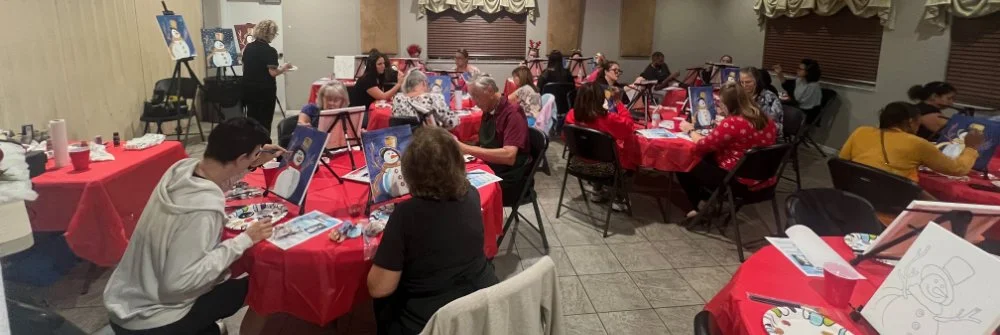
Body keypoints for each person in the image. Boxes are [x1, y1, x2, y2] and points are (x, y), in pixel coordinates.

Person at [103, 118, 283, 334]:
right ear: (240, 157)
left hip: (126, 299)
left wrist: (253, 160)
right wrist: (244, 240)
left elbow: (221, 178)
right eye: (253, 155)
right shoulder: (202, 209)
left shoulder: (181, 170)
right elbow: (178, 284)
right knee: (268, 284)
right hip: (152, 318)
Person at [368, 127, 499, 335]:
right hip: (480, 304)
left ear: (409, 171)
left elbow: (379, 288)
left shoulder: (405, 215)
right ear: (458, 163)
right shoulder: (472, 195)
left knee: (381, 303)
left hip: (433, 322)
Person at [676, 82, 778, 218]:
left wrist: (690, 130)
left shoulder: (733, 123)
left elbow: (702, 145)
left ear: (727, 105)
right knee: (708, 157)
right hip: (765, 179)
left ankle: (700, 204)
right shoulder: (766, 119)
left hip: (739, 182)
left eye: (721, 104)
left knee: (683, 161)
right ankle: (708, 199)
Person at [840, 102, 981, 182]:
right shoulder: (917, 143)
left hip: (855, 189)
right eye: (918, 124)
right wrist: (971, 148)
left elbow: (841, 162)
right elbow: (957, 169)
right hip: (892, 197)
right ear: (910, 122)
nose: (918, 128)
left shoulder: (861, 131)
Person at [456, 76, 531, 205]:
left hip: (511, 177)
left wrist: (465, 148)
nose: (474, 102)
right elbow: (485, 141)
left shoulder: (512, 113)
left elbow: (509, 156)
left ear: (490, 91)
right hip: (493, 166)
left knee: (463, 193)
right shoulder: (489, 109)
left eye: (476, 96)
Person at [564, 82, 638, 210]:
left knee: (598, 151)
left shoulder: (571, 114)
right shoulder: (607, 119)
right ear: (600, 99)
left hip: (577, 163)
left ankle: (597, 190)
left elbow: (565, 137)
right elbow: (628, 127)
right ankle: (619, 199)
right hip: (604, 168)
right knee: (628, 160)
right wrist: (617, 103)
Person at [241, 19, 293, 134]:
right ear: (270, 33)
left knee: (252, 119)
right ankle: (264, 146)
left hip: (248, 89)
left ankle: (252, 146)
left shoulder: (248, 47)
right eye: (274, 34)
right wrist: (284, 67)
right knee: (264, 121)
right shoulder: (270, 51)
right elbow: (272, 73)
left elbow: (245, 67)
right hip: (264, 91)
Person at [391, 70, 459, 129]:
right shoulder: (434, 98)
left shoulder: (397, 99)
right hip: (428, 140)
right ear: (424, 83)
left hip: (403, 140)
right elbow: (451, 122)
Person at [354, 52, 406, 127]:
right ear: (372, 66)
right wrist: (399, 84)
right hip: (360, 114)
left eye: (383, 63)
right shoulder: (367, 79)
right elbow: (383, 96)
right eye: (379, 64)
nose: (383, 66)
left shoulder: (378, 76)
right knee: (388, 119)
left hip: (369, 109)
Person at [739, 67, 784, 137]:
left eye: (748, 82)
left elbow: (771, 123)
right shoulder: (743, 94)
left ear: (756, 81)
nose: (744, 85)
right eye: (742, 82)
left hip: (768, 133)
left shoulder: (769, 97)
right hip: (748, 130)